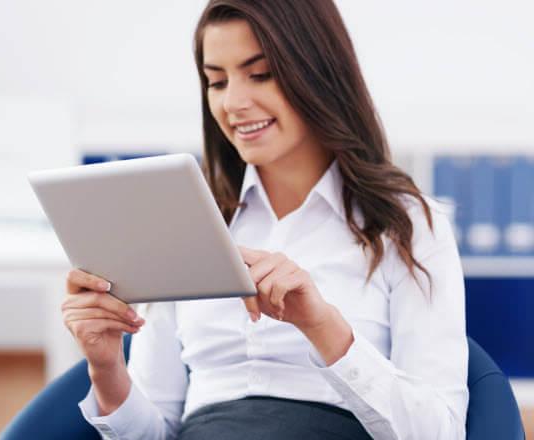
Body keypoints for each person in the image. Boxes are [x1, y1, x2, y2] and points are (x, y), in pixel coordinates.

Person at [61, 1, 468, 439]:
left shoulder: (406, 225)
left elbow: (440, 433)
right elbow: (153, 433)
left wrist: (321, 325)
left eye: (261, 74)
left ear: (319, 73)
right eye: (216, 81)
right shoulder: (185, 224)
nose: (233, 103)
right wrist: (105, 366)